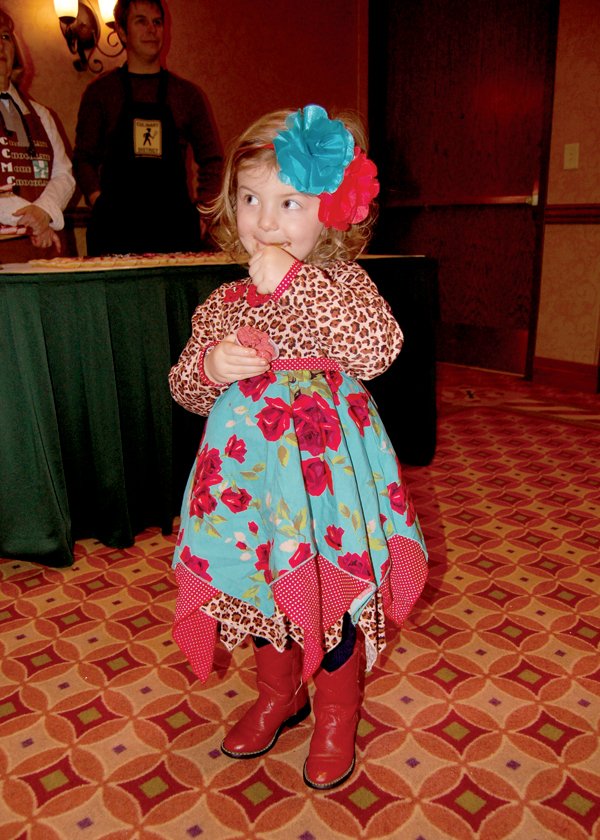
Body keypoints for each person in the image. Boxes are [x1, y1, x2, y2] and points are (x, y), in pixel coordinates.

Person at [169, 104, 428, 790]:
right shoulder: (225, 300)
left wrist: (291, 280)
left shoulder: (339, 284)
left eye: (290, 202)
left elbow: (378, 349)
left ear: (333, 211)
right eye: (252, 199)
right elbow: (184, 387)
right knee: (261, 589)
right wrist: (209, 369)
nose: (267, 220)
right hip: (247, 480)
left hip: (324, 480)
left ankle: (337, 712)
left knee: (326, 591)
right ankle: (279, 694)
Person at [73, 0, 222, 256]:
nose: (151, 30)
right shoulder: (100, 93)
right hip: (114, 231)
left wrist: (204, 213)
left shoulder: (187, 95)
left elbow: (213, 160)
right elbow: (83, 158)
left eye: (157, 22)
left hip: (175, 231)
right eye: (140, 21)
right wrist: (98, 199)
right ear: (121, 31)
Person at [0, 9, 75, 261]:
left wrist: (43, 213)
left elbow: (64, 175)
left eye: (6, 37)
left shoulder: (42, 114)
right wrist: (32, 217)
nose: (0, 45)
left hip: (45, 250)